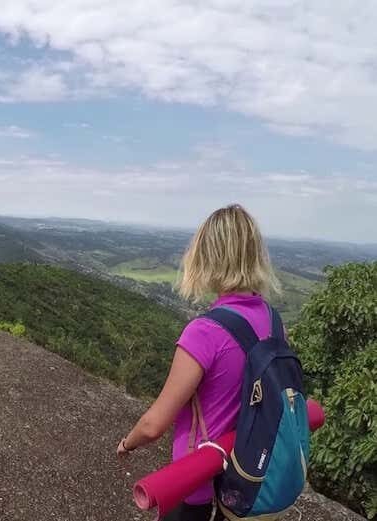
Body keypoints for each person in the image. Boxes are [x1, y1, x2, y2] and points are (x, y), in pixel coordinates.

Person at [116, 204, 281, 521]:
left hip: (199, 486)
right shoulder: (274, 322)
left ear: (207, 256)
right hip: (249, 477)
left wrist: (127, 444)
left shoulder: (205, 332)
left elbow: (154, 425)